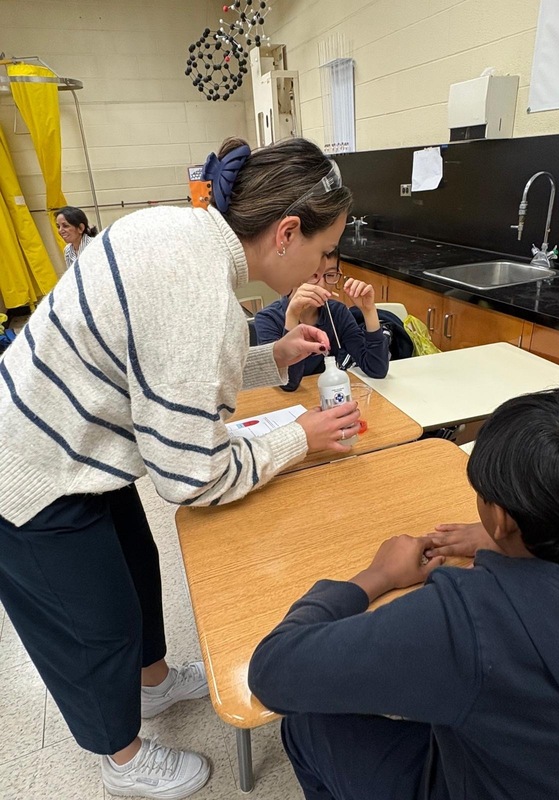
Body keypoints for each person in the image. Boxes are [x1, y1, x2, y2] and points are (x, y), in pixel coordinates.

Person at [0, 136, 359, 800]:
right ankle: (122, 758)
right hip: (33, 467)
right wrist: (300, 439)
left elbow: (172, 376)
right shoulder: (205, 296)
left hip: (81, 441)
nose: (326, 265)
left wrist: (273, 356)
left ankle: (155, 681)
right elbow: (192, 476)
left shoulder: (179, 230)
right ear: (286, 233)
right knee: (93, 624)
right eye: (325, 250)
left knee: (136, 566)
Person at [248, 388, 559, 800]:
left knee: (307, 724)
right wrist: (513, 541)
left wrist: (377, 575)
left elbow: (272, 672)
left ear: (501, 518)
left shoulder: (471, 622)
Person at [254, 267, 389, 391]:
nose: (322, 285)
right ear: (293, 275)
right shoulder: (267, 319)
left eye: (330, 275)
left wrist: (369, 311)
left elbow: (376, 369)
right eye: (314, 275)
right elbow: (289, 385)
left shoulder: (337, 312)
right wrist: (293, 315)